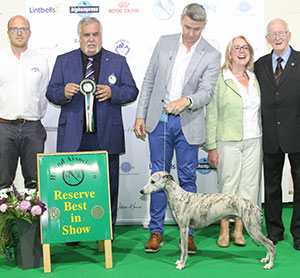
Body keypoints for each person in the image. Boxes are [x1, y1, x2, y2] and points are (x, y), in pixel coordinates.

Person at [134, 3, 220, 254]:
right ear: (181, 21)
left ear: (204, 27)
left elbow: (207, 92)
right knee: (158, 176)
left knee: (187, 179)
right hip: (158, 120)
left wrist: (187, 101)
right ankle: (156, 232)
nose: (191, 33)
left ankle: (189, 234)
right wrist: (140, 115)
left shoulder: (212, 54)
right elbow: (149, 79)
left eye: (197, 29)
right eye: (187, 27)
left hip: (189, 123)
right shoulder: (164, 42)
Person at [46, 17, 138, 237]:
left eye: (95, 34)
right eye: (86, 35)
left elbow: (132, 91)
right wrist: (63, 93)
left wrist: (113, 93)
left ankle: (106, 230)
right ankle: (73, 232)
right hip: (73, 136)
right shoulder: (63, 60)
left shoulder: (117, 61)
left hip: (106, 135)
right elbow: (51, 92)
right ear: (80, 36)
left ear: (101, 35)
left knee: (107, 188)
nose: (91, 39)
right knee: (72, 190)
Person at [206, 36, 262, 248]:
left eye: (245, 47)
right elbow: (211, 114)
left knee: (248, 188)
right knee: (228, 187)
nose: (241, 51)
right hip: (227, 141)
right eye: (236, 48)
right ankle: (224, 230)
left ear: (250, 53)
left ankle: (239, 230)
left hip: (254, 139)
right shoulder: (220, 78)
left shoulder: (256, 77)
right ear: (229, 54)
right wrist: (211, 146)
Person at [254, 18, 300, 250]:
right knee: (271, 187)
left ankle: (299, 233)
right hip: (270, 137)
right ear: (267, 39)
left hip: (297, 135)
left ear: (289, 35)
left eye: (282, 33)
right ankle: (274, 231)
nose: (278, 37)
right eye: (273, 34)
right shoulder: (259, 65)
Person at [0, 15, 49, 190]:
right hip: (4, 128)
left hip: (33, 128)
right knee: (2, 182)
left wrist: (34, 117)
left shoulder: (40, 61)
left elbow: (43, 95)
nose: (19, 33)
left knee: (35, 183)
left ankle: (35, 218)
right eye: (14, 29)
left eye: (23, 29)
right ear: (8, 33)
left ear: (29, 33)